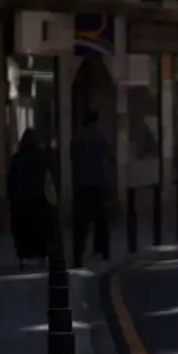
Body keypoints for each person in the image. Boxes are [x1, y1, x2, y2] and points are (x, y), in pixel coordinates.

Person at [5, 128, 57, 269]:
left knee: (22, 230)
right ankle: (41, 254)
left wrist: (11, 199)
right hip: (39, 200)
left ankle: (24, 257)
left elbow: (11, 181)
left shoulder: (17, 158)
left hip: (20, 201)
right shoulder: (44, 157)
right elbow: (50, 178)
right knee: (41, 229)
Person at [69, 109, 112, 263]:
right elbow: (107, 158)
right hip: (97, 184)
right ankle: (104, 252)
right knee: (101, 220)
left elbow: (72, 157)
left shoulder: (77, 137)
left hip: (81, 184)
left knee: (80, 223)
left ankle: (77, 255)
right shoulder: (99, 137)